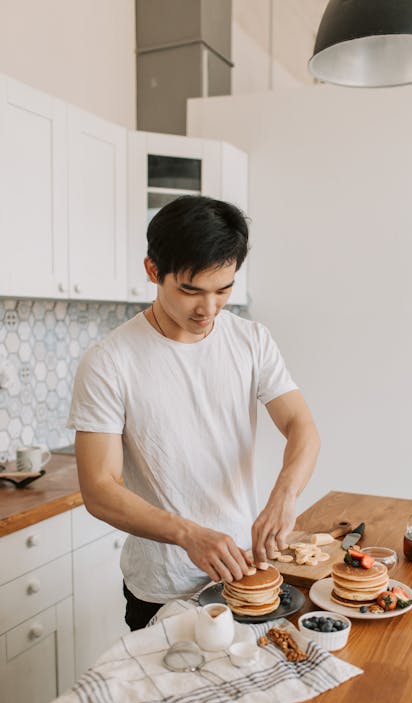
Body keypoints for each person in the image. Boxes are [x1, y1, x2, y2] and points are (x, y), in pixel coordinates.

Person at [69, 195, 320, 630]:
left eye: (223, 290)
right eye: (191, 291)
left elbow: (302, 426)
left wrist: (285, 496)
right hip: (163, 589)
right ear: (153, 271)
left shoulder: (251, 341)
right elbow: (98, 488)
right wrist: (188, 534)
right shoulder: (109, 361)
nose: (208, 309)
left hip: (245, 576)